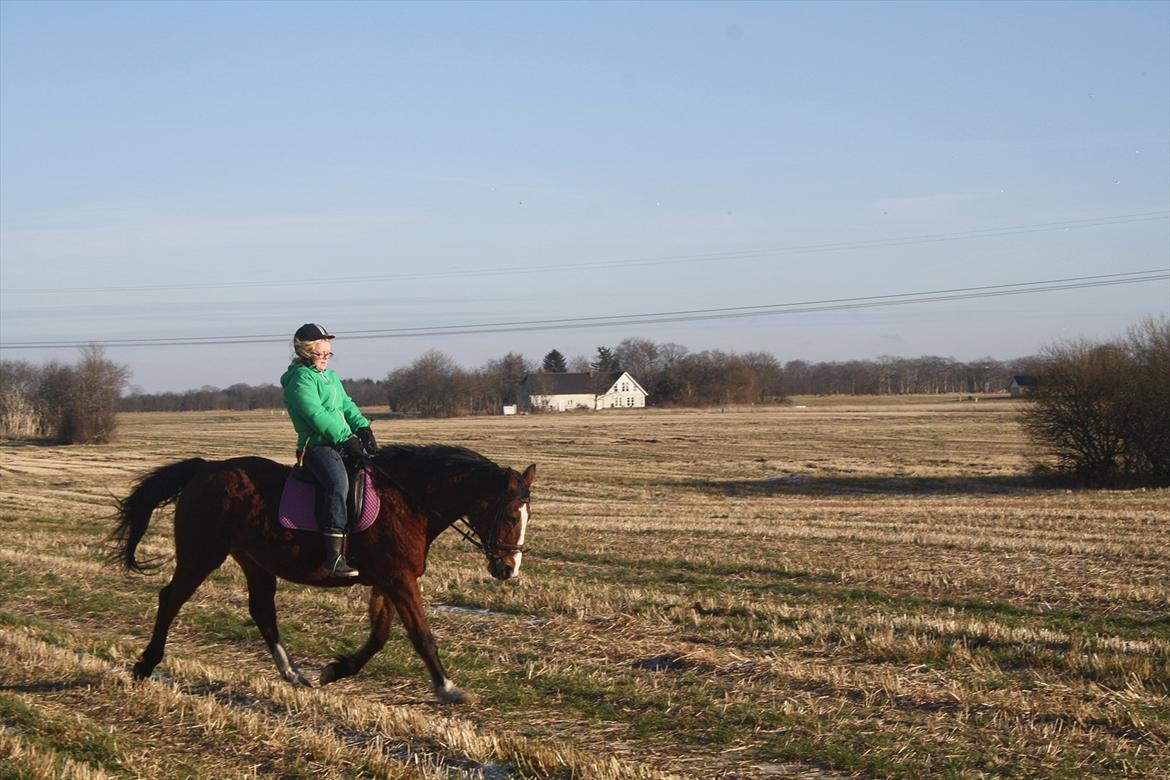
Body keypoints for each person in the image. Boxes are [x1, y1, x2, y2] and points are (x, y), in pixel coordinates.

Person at [280, 323, 378, 578]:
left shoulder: (330, 376)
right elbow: (316, 414)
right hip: (316, 447)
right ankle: (333, 559)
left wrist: (362, 427)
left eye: (328, 354)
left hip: (340, 442)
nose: (325, 358)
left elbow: (346, 404)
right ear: (305, 353)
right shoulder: (300, 380)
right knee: (338, 484)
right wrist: (345, 438)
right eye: (320, 354)